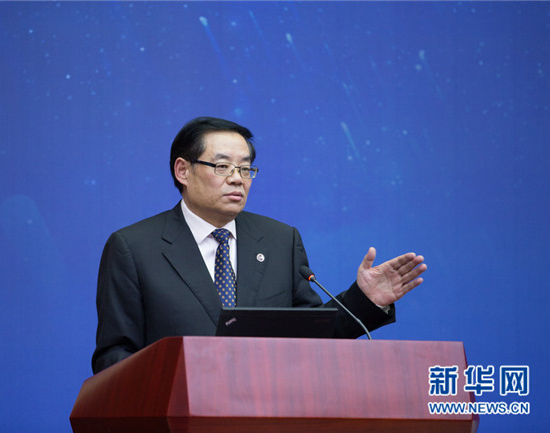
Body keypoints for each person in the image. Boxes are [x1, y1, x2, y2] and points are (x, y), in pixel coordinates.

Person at [91, 116, 426, 374]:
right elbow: (114, 355)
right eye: (222, 166)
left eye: (245, 168)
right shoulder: (134, 247)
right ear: (183, 170)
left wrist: (364, 300)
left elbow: (311, 337)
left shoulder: (280, 240)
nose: (237, 178)